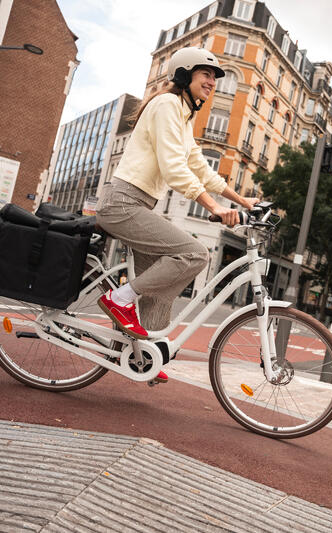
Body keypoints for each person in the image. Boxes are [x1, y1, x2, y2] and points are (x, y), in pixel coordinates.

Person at [95, 47, 257, 384]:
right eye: (206, 74)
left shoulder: (183, 114)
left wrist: (243, 201)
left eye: (214, 77)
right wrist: (213, 207)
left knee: (161, 286)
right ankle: (119, 299)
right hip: (123, 204)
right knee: (195, 254)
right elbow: (174, 168)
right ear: (184, 74)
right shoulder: (167, 105)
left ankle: (143, 356)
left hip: (138, 206)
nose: (212, 82)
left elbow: (199, 166)